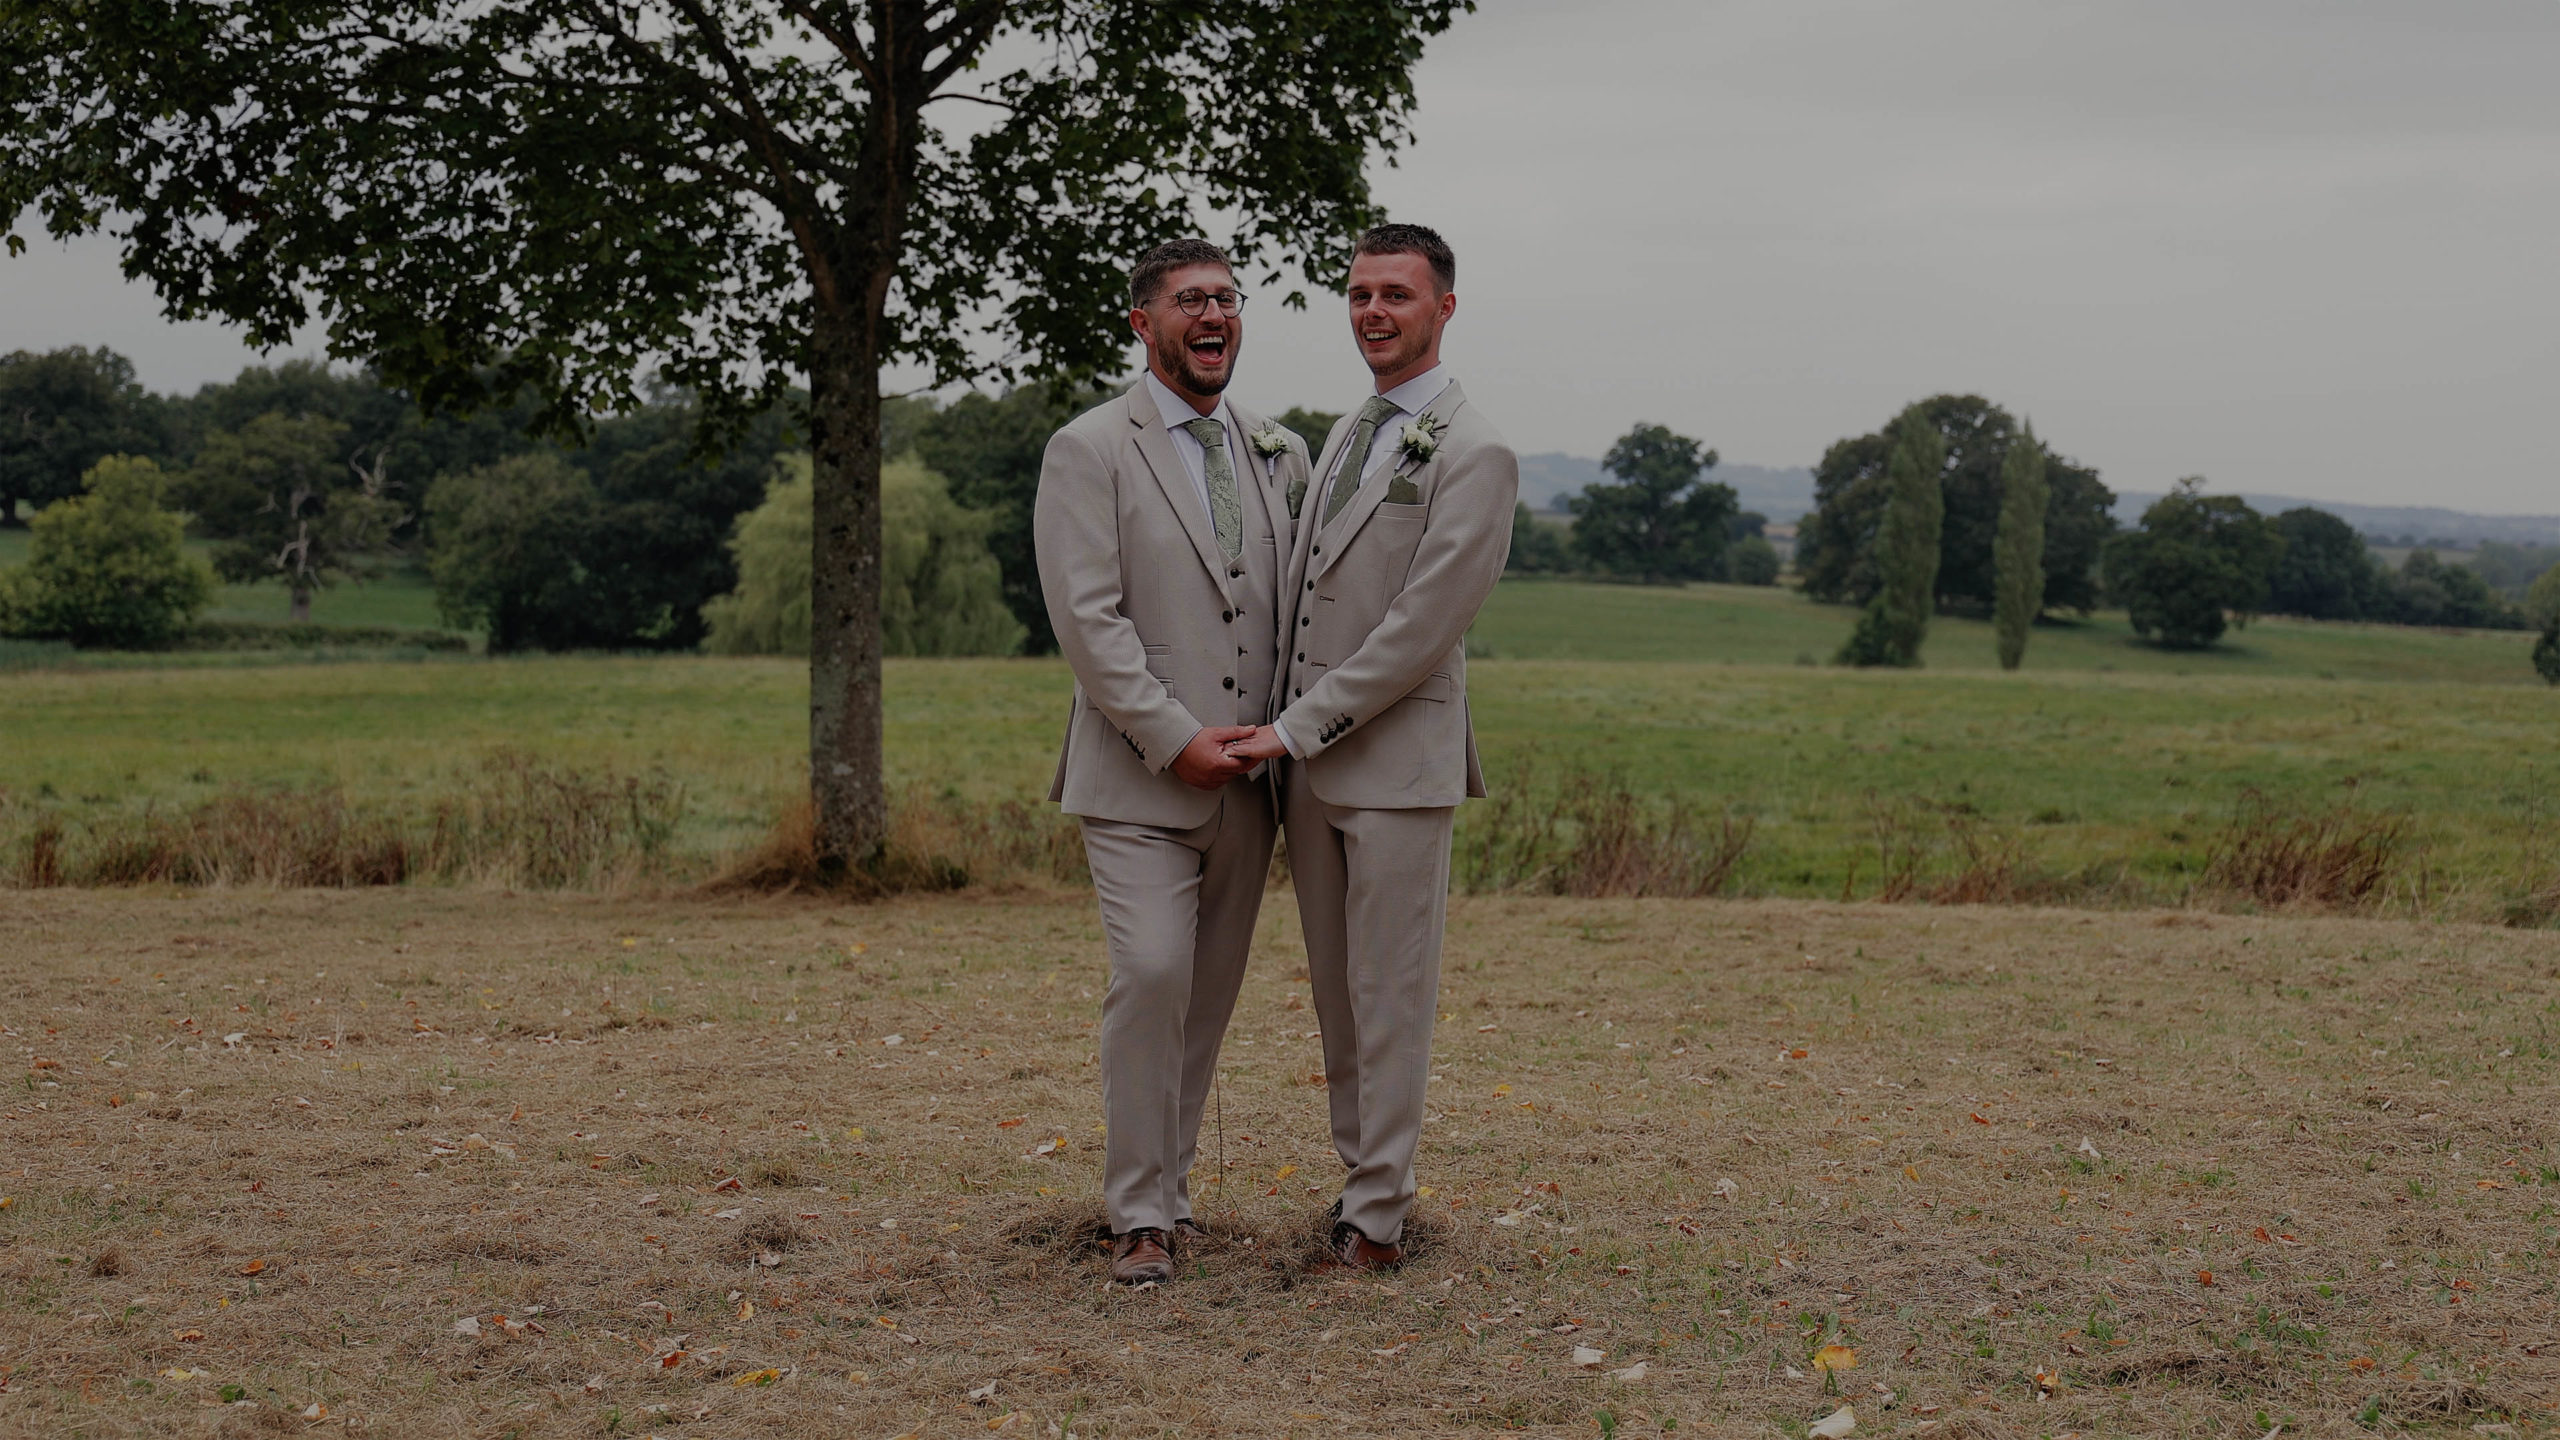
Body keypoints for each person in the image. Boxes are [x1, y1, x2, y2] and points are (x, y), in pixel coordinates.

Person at [1224, 223, 1518, 1270]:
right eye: (1357, 294)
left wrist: (1293, 729)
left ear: (1443, 307)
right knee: (1338, 996)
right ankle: (1357, 1180)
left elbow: (1418, 630)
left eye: (1395, 294)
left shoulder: (1476, 452)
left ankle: (1378, 1216)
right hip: (1309, 777)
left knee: (1391, 997)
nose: (1372, 312)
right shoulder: (1346, 433)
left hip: (1394, 770)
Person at [1032, 237, 1313, 1287]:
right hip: (1138, 774)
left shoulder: (1278, 452)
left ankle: (1172, 1194)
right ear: (1143, 323)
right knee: (1151, 973)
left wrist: (1281, 737)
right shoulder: (1090, 448)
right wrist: (1172, 736)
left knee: (1206, 999)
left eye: (1229, 299)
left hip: (1251, 781)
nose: (1216, 314)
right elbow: (1088, 620)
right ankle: (1136, 1214)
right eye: (1191, 299)